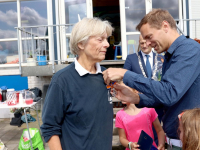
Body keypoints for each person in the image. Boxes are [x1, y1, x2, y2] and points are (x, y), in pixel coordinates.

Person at [103, 9, 200, 150]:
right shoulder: (171, 55)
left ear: (165, 26)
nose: (147, 43)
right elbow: (164, 98)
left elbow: (169, 93)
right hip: (177, 141)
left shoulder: (189, 50)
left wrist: (125, 74)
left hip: (188, 143)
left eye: (149, 36)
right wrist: (136, 98)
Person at [40, 18, 114, 150]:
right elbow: (50, 127)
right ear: (81, 44)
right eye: (100, 39)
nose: (107, 44)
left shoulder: (106, 76)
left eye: (107, 39)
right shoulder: (62, 80)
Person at [124, 35, 164, 145]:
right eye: (142, 43)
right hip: (140, 103)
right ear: (139, 42)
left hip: (157, 103)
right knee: (141, 134)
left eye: (146, 43)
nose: (144, 45)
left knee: (157, 132)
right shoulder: (131, 58)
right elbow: (125, 77)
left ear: (151, 42)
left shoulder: (161, 58)